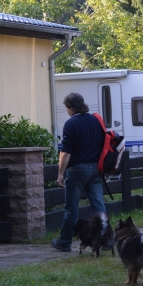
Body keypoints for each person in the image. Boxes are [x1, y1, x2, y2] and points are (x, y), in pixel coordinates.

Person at [51, 93, 106, 252]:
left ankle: (65, 242)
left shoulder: (71, 124)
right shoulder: (96, 120)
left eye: (66, 108)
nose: (67, 111)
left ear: (71, 107)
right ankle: (105, 240)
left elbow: (65, 153)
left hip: (78, 170)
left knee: (71, 209)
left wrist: (60, 173)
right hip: (96, 168)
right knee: (99, 207)